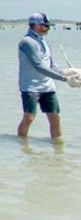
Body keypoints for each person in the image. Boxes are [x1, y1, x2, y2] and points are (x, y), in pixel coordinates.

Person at [17, 13, 78, 142]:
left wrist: (70, 72)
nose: (48, 28)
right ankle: (21, 145)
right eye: (45, 26)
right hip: (30, 86)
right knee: (29, 117)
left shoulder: (44, 42)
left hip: (48, 86)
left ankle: (57, 147)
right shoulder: (26, 42)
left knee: (54, 117)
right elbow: (39, 66)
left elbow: (51, 65)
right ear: (36, 25)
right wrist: (65, 80)